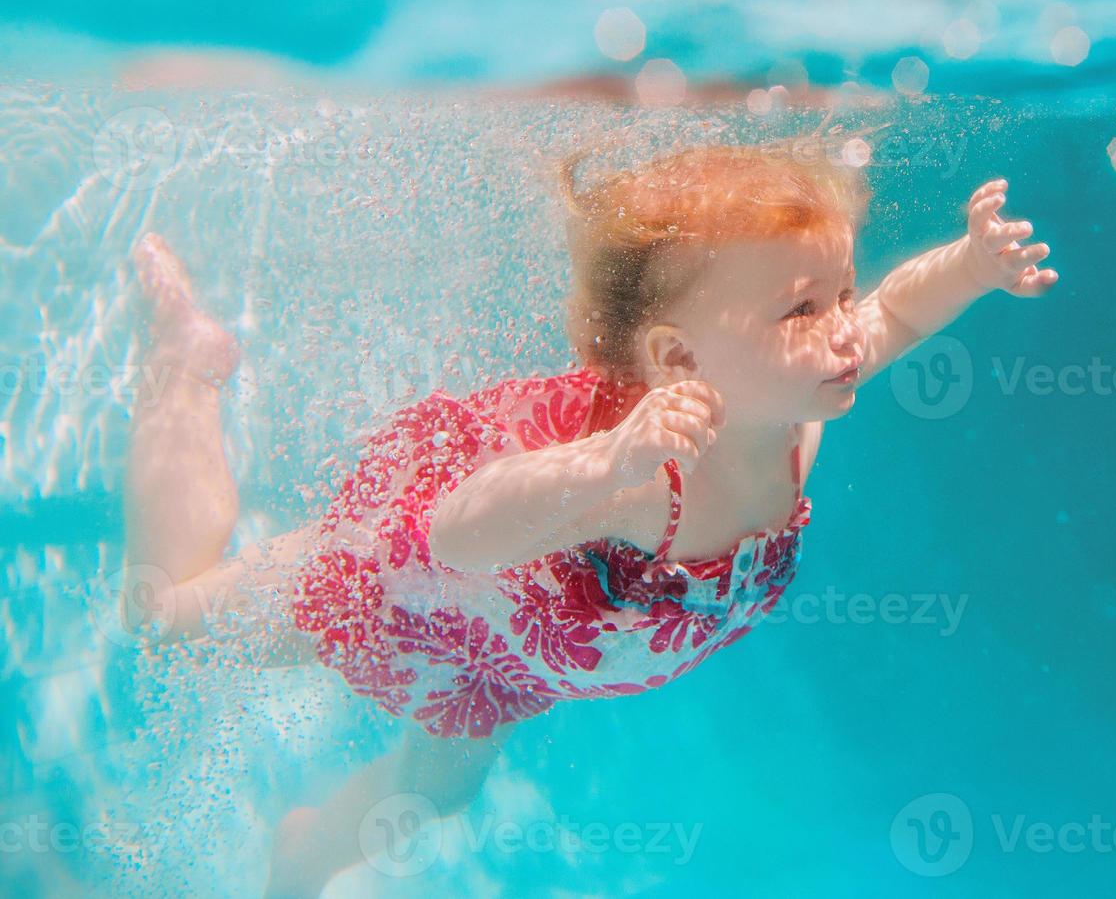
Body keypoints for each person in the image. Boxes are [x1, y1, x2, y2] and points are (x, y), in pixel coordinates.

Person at [122, 142, 1056, 896]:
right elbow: (454, 535)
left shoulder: (795, 412)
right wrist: (602, 458)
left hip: (506, 658)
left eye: (839, 293)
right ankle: (186, 366)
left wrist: (970, 267)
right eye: (800, 309)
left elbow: (895, 310)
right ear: (678, 356)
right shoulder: (649, 482)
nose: (846, 329)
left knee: (435, 796)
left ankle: (306, 855)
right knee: (168, 620)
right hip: (407, 593)